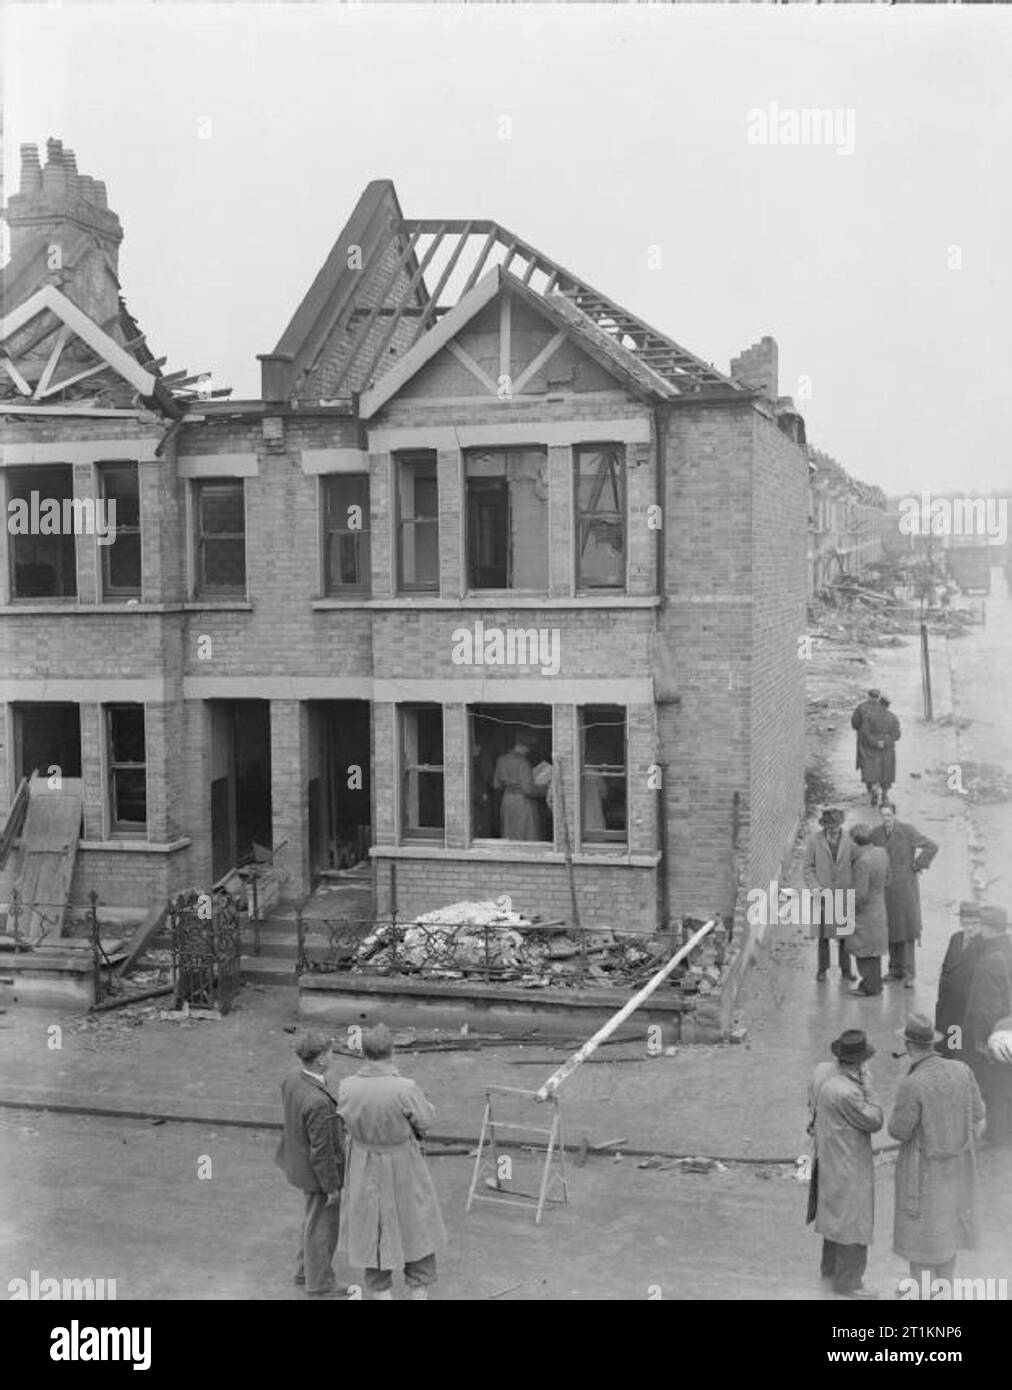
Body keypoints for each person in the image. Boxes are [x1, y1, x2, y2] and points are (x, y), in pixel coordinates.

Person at [337, 1023, 447, 1300]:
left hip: (364, 1163)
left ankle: (381, 1293)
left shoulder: (347, 1086)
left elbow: (346, 1120)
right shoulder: (405, 1088)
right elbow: (426, 1120)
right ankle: (418, 1290)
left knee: (371, 1229)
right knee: (416, 1224)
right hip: (403, 1164)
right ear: (392, 1052)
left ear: (363, 1053)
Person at [888, 1014, 985, 1291]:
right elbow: (979, 1113)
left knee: (922, 1243)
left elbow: (898, 1131)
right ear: (932, 1042)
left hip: (924, 1176)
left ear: (908, 1045)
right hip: (958, 1172)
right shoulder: (962, 1070)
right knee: (948, 1238)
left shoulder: (913, 1083)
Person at [808, 1029, 884, 1298]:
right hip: (849, 1162)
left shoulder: (821, 1072)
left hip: (826, 1155)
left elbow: (811, 1103)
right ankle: (849, 1282)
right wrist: (870, 1089)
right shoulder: (849, 1092)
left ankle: (829, 1269)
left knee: (832, 1216)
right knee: (854, 1221)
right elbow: (874, 1120)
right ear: (860, 1062)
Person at [275, 1031, 349, 1299]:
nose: (332, 1055)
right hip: (317, 1173)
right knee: (323, 1228)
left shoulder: (292, 1078)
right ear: (320, 1060)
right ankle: (320, 1284)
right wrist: (332, 1186)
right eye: (329, 1052)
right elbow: (323, 1150)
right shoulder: (319, 1102)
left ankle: (305, 1271)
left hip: (297, 1162)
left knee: (311, 1220)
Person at [870, 802, 938, 988]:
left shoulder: (907, 831)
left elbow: (932, 846)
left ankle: (909, 973)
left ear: (894, 815)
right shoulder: (875, 834)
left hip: (905, 887)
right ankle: (894, 970)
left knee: (907, 929)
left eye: (889, 815)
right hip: (885, 887)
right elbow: (867, 851)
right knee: (890, 928)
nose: (886, 819)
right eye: (883, 815)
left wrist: (916, 866)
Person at [964, 906, 1012, 1147]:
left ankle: (997, 1137)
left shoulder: (991, 960)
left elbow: (987, 1007)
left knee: (995, 1088)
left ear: (988, 927)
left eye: (981, 924)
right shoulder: (1008, 948)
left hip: (995, 1034)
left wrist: (982, 1039)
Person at [803, 808, 858, 983]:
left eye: (835, 826)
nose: (833, 829)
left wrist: (854, 887)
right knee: (823, 936)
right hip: (822, 894)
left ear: (840, 824)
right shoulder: (814, 841)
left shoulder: (851, 840)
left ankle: (846, 969)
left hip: (843, 893)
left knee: (844, 936)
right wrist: (816, 888)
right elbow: (807, 868)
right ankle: (822, 969)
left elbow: (858, 865)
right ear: (824, 826)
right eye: (829, 826)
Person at [934, 903, 988, 1063]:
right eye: (966, 923)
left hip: (963, 1011)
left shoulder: (984, 946)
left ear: (981, 924)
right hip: (946, 1006)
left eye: (974, 924)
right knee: (942, 1044)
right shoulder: (956, 938)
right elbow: (946, 969)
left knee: (955, 1049)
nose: (969, 928)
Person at [848, 825, 890, 997]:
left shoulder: (862, 862)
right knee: (874, 949)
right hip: (879, 905)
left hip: (865, 912)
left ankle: (869, 986)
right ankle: (875, 983)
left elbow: (861, 894)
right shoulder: (881, 852)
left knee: (863, 949)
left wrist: (850, 909)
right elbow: (888, 877)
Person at [493, 736, 544, 841]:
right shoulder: (523, 763)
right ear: (522, 746)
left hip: (507, 801)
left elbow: (496, 785)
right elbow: (528, 790)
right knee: (526, 835)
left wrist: (510, 784)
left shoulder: (501, 759)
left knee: (509, 834)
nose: (528, 751)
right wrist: (545, 790)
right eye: (528, 748)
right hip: (523, 804)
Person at [855, 694, 901, 807]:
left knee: (873, 770)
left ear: (879, 704)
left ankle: (875, 789)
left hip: (873, 748)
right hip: (887, 749)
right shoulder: (893, 717)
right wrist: (886, 742)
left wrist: (875, 742)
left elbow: (865, 733)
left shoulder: (869, 717)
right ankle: (885, 795)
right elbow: (897, 734)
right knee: (886, 772)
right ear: (888, 706)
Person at [850, 688, 881, 799]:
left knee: (865, 761)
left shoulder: (861, 707)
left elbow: (855, 723)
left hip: (864, 739)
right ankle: (876, 784)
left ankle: (869, 786)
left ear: (868, 696)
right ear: (878, 697)